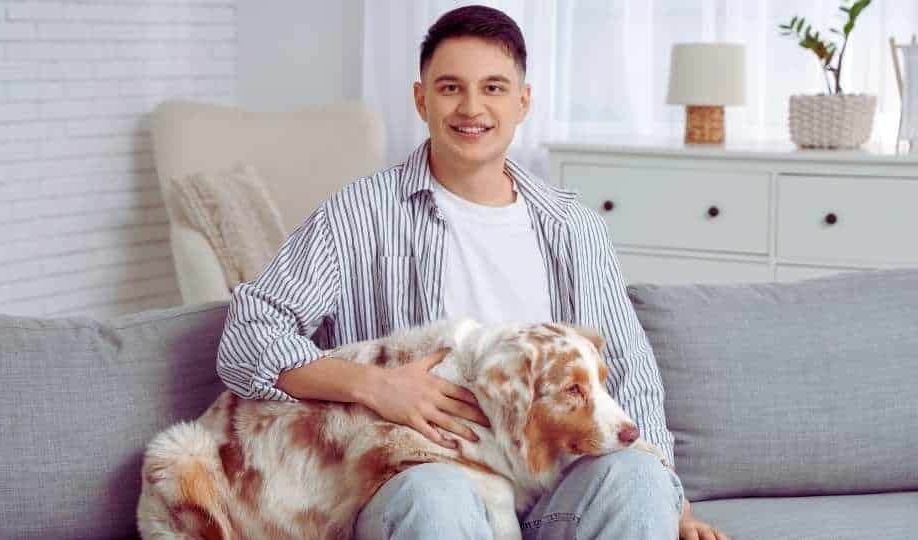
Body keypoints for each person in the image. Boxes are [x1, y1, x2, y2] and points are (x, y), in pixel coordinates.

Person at [216, 5, 728, 540]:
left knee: (640, 477)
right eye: (450, 88)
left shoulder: (571, 226)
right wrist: (375, 386)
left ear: (522, 101)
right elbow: (249, 332)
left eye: (493, 88)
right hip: (424, 476)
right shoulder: (358, 214)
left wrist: (673, 505)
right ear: (422, 99)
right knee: (437, 493)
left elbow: (628, 370)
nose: (472, 107)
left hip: (554, 492)